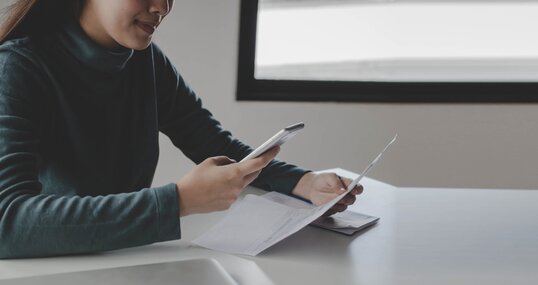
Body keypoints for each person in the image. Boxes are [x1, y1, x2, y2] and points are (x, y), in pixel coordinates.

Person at [0, 0, 363, 259]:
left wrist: (302, 182)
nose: (163, 7)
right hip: (48, 270)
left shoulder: (146, 62)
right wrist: (179, 202)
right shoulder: (17, 69)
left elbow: (213, 142)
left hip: (125, 259)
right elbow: (8, 224)